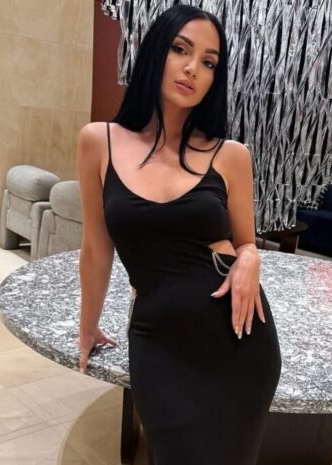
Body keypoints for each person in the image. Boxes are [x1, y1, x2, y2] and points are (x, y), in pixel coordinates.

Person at [77, 4, 282, 464]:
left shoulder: (231, 155)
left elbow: (246, 241)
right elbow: (95, 248)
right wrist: (88, 326)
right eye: (180, 49)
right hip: (157, 339)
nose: (193, 68)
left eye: (209, 62)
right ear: (156, 52)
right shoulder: (98, 141)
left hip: (238, 338)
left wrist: (251, 258)